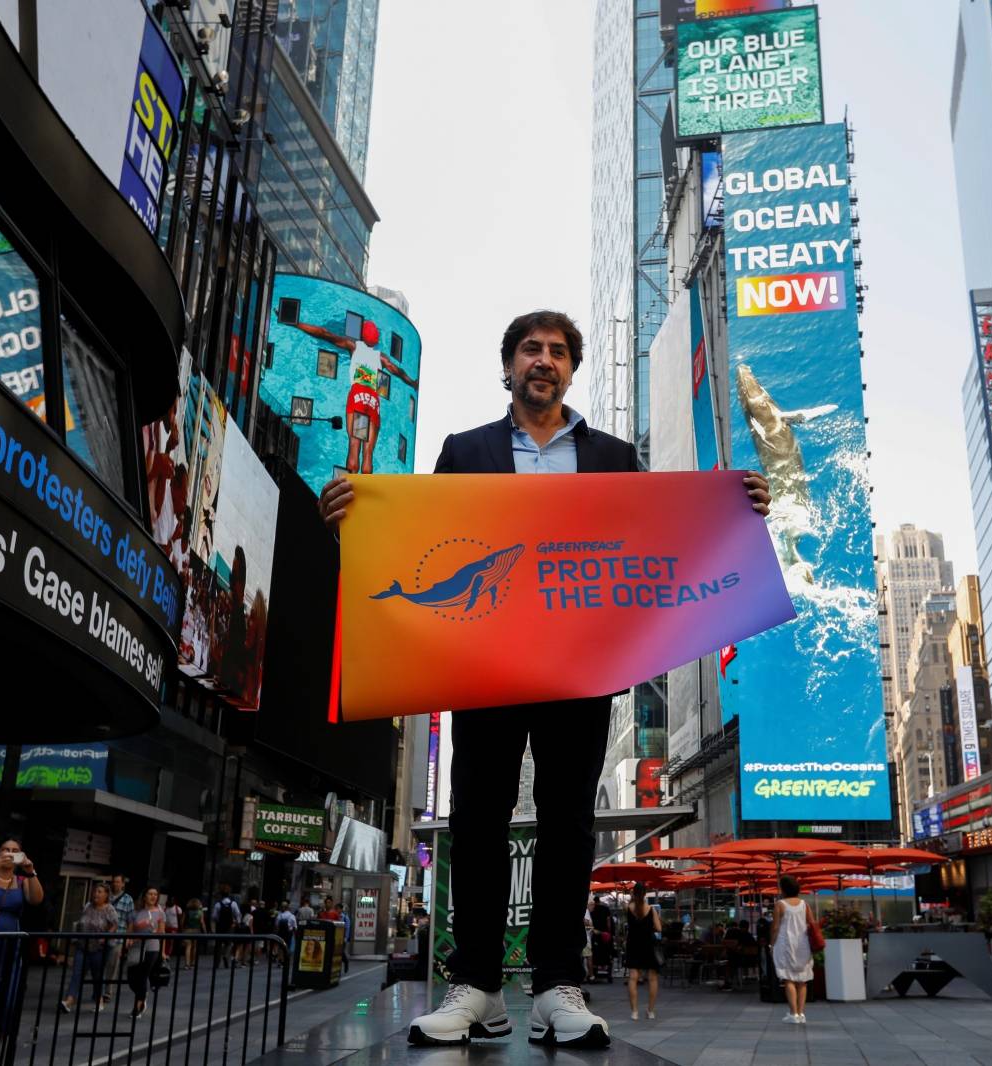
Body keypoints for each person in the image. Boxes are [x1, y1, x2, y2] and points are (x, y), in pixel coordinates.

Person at [322, 310, 770, 1048]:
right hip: (484, 663)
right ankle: (477, 987)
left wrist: (738, 510)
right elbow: (417, 539)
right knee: (476, 819)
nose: (545, 360)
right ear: (509, 366)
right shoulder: (463, 451)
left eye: (559, 351)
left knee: (569, 824)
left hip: (582, 664)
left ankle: (558, 987)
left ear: (571, 370)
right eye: (531, 348)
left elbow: (664, 535)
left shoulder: (615, 456)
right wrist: (352, 517)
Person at [62, 883, 116, 1013]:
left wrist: (106, 937)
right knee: (77, 973)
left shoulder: (109, 909)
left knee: (97, 976)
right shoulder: (88, 906)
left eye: (100, 892)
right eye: (95, 891)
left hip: (98, 948)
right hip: (83, 945)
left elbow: (114, 925)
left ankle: (99, 1000)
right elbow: (81, 921)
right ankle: (69, 1000)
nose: (96, 894)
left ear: (106, 895)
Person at [769, 875, 815, 1025]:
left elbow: (775, 927)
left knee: (788, 978)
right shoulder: (804, 904)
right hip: (803, 944)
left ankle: (793, 1013)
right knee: (802, 980)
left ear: (783, 889)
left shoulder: (780, 904)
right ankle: (801, 1014)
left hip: (785, 943)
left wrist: (771, 944)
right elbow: (812, 924)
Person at [125, 888, 168, 1018]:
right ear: (144, 896)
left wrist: (163, 952)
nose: (153, 896)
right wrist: (128, 941)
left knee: (143, 975)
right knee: (132, 978)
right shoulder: (135, 913)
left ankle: (138, 1006)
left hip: (152, 946)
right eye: (150, 894)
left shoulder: (160, 913)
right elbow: (129, 932)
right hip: (136, 947)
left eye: (155, 894)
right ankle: (143, 994)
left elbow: (162, 933)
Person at [623, 883, 662, 1021]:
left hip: (633, 945)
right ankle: (650, 1011)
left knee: (633, 977)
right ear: (645, 894)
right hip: (648, 945)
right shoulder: (651, 909)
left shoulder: (629, 908)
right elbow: (659, 928)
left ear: (633, 893)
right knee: (652, 978)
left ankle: (634, 1012)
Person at [108, 875, 135, 983]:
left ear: (123, 884)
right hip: (103, 935)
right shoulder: (107, 896)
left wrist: (128, 938)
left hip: (119, 937)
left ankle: (108, 991)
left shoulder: (128, 899)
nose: (116, 884)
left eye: (118, 882)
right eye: (114, 882)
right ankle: (98, 991)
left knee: (113, 965)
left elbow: (131, 921)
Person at [182, 897, 206, 967]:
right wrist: (205, 931)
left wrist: (182, 929)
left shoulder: (186, 911)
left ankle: (187, 963)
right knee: (195, 946)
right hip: (196, 930)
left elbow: (182, 921)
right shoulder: (200, 911)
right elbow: (202, 922)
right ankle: (193, 963)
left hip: (187, 930)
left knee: (188, 947)